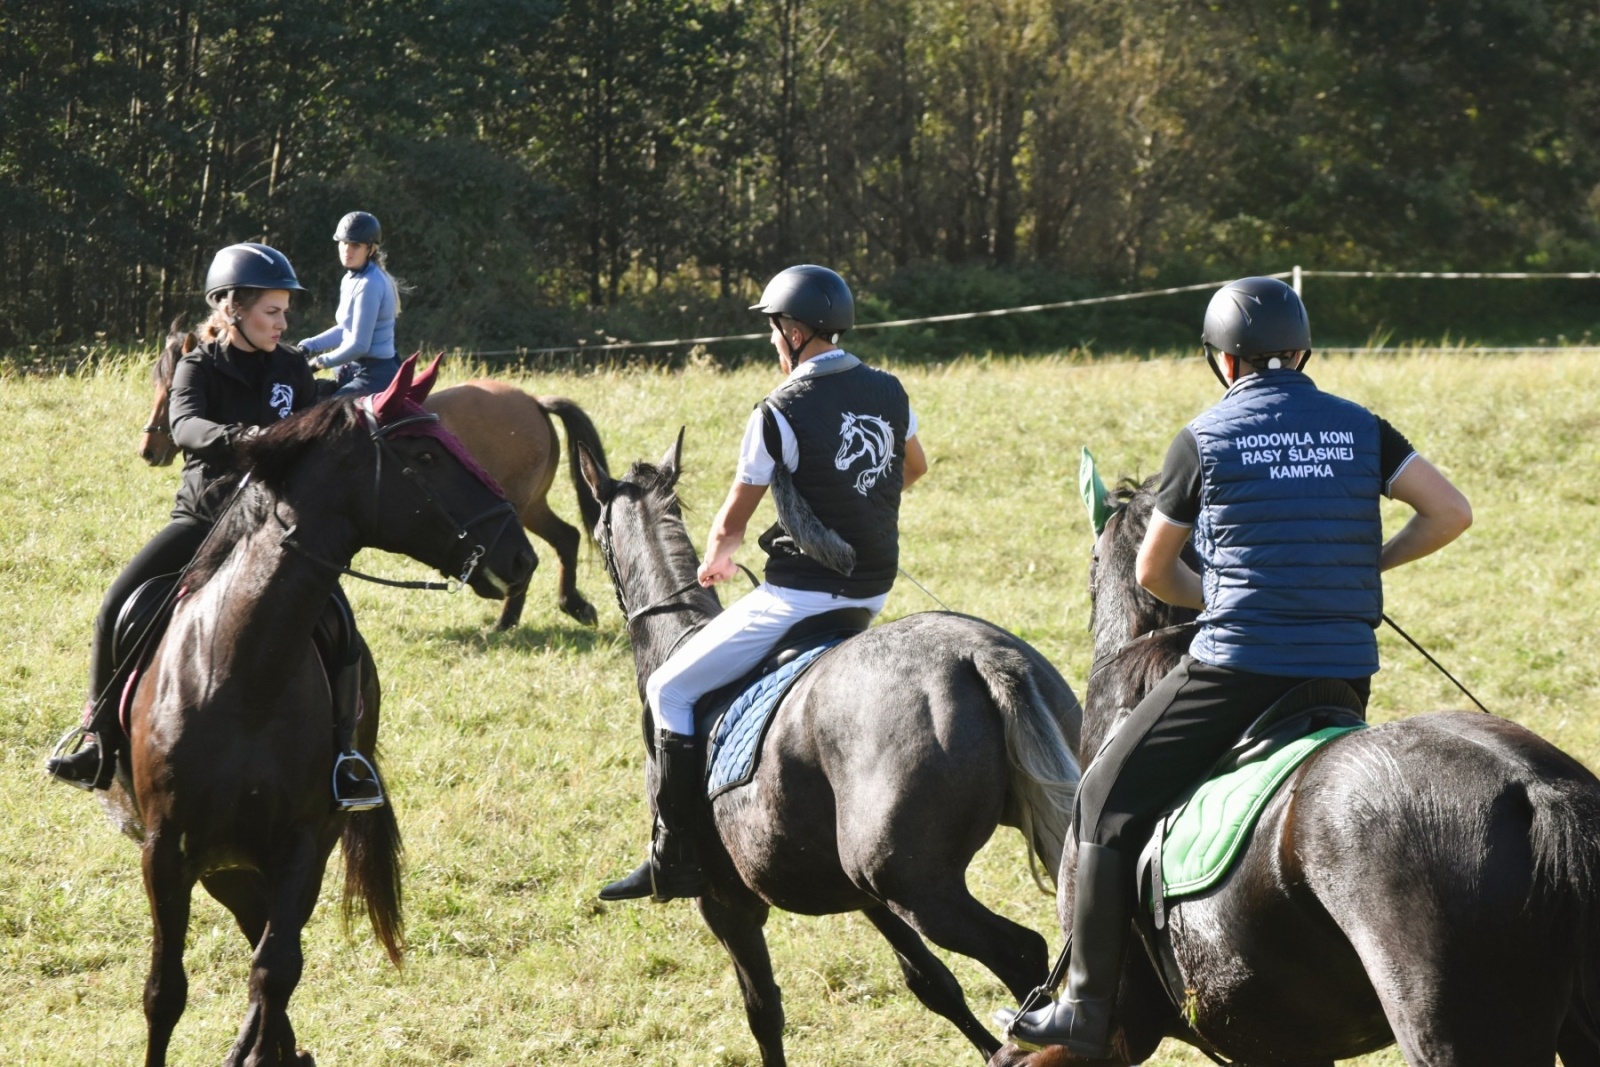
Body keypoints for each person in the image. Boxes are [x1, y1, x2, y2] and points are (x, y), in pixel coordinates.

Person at [999, 276, 1473, 1057]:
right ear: (1303, 351)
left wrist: (1217, 594)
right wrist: (1371, 566)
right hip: (1343, 672)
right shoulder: (1361, 426)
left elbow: (1153, 573)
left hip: (1240, 668)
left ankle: (1085, 1008)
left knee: (1103, 799)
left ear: (1222, 362)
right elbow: (1450, 510)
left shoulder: (1205, 437)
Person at [599, 264, 930, 904]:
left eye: (774, 330)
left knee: (668, 688)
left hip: (802, 596)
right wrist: (862, 506)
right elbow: (911, 467)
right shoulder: (890, 389)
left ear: (795, 331)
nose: (773, 342)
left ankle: (675, 853)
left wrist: (717, 560)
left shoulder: (777, 410)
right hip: (872, 592)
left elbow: (731, 520)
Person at [46, 242, 385, 810]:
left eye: (284, 311)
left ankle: (345, 756)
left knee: (341, 625)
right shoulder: (199, 364)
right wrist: (242, 439)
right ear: (231, 309)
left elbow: (310, 432)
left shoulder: (293, 366)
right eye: (271, 311)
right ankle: (97, 738)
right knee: (116, 605)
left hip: (274, 526)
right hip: (205, 519)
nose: (283, 322)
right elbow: (184, 426)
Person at [296, 211, 400, 398]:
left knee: (330, 419)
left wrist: (319, 362)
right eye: (344, 243)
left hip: (374, 374)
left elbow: (359, 345)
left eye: (355, 245)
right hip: (353, 368)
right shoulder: (350, 278)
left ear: (371, 249)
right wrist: (308, 345)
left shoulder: (370, 284)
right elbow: (345, 329)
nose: (347, 250)